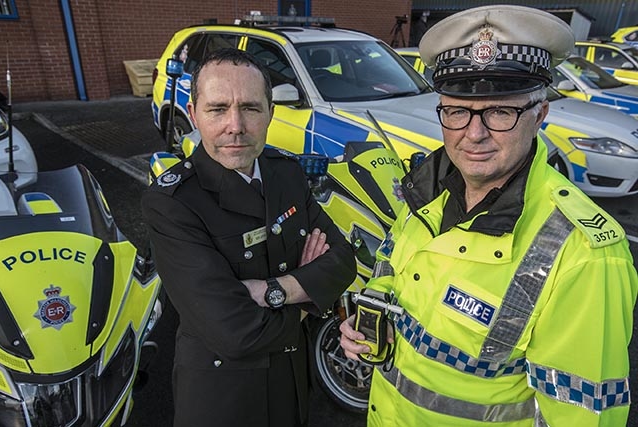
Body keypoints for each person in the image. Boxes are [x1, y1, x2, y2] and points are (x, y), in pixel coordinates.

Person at [339, 5, 638, 426]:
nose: (474, 134)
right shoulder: (426, 190)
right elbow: (394, 272)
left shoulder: (584, 254)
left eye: (501, 112)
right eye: (457, 111)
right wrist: (371, 316)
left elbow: (583, 415)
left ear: (540, 114)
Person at [142, 48, 357, 427]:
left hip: (292, 381)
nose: (235, 125)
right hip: (224, 399)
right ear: (194, 116)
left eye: (251, 108)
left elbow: (342, 260)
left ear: (271, 114)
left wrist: (274, 290)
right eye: (217, 108)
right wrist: (308, 295)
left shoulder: (286, 175)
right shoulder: (172, 203)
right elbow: (235, 333)